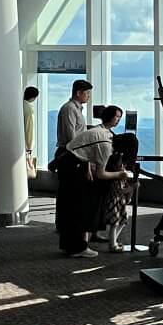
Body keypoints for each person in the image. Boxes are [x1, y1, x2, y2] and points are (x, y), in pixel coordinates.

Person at [57, 104, 127, 258]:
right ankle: (78, 248)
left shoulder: (98, 131)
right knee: (78, 208)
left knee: (71, 208)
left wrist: (88, 166)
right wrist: (119, 175)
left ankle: (70, 246)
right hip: (73, 167)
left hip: (68, 163)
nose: (118, 120)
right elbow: (101, 174)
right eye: (117, 116)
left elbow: (85, 150)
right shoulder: (105, 141)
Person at [56, 78, 92, 157]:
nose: (89, 96)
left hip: (75, 151)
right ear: (78, 93)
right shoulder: (70, 108)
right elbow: (71, 135)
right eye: (87, 93)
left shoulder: (76, 109)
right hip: (69, 153)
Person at [22, 85, 40, 179]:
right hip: (25, 146)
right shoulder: (29, 109)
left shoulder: (20, 106)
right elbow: (29, 128)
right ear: (33, 97)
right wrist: (29, 146)